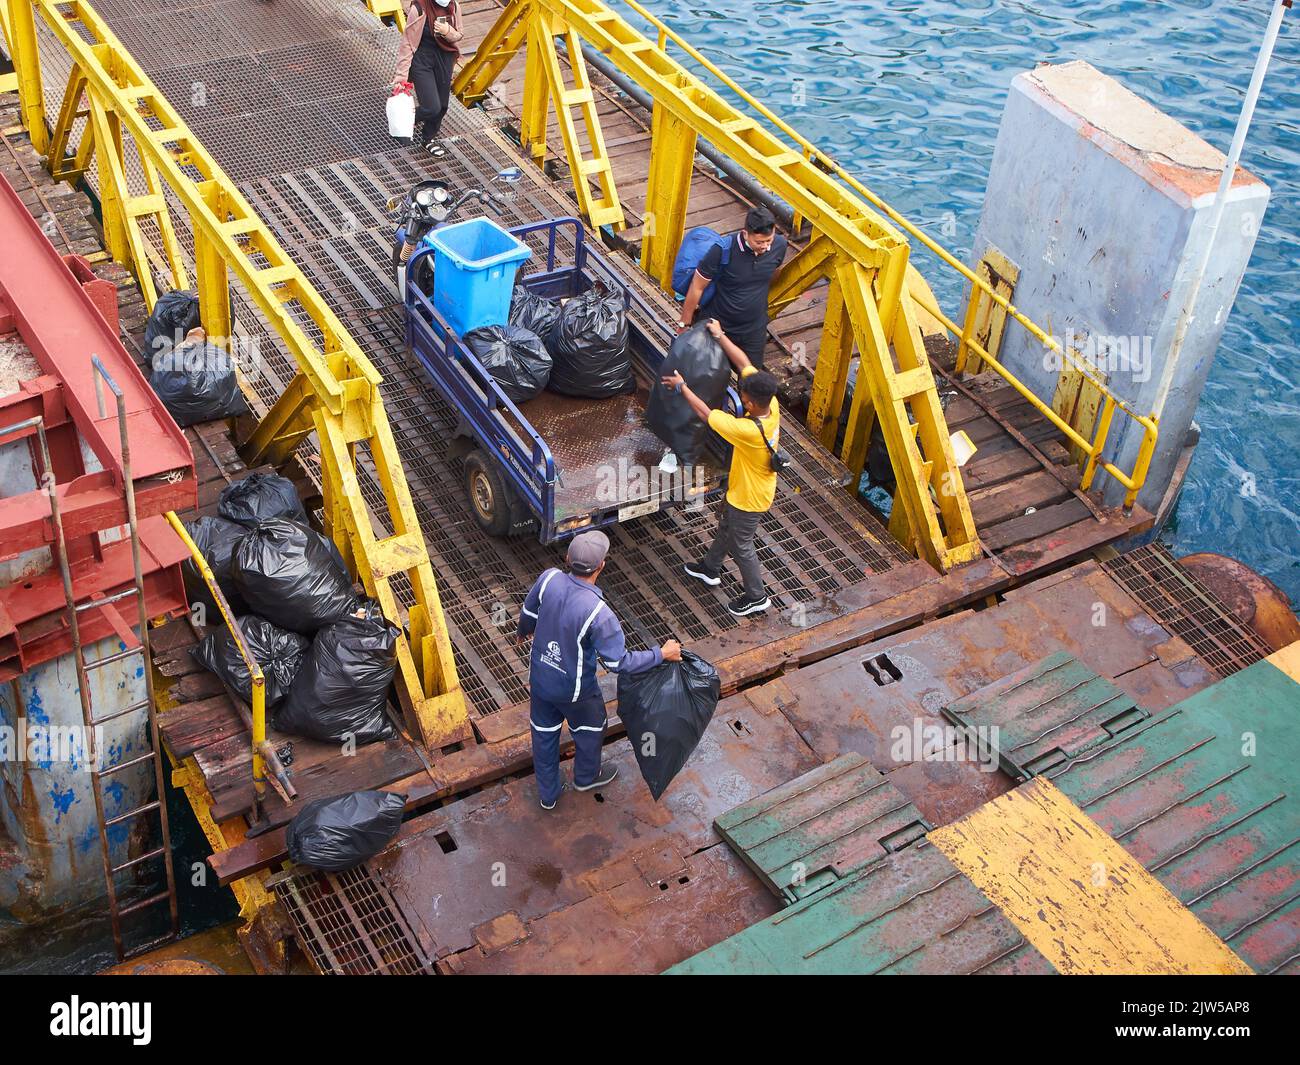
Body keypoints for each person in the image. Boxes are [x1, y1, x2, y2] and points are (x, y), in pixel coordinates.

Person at [516, 530, 682, 810]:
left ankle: (548, 795)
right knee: (591, 728)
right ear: (601, 566)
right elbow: (620, 663)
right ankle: (586, 777)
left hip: (541, 682)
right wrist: (662, 653)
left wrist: (524, 632)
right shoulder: (599, 613)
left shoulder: (549, 579)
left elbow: (529, 614)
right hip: (576, 692)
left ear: (567, 558)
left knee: (543, 736)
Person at [662, 319, 780, 617]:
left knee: (742, 545)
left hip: (749, 498)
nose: (740, 397)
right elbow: (743, 362)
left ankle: (756, 596)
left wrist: (682, 388)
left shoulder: (747, 430)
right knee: (727, 527)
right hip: (745, 486)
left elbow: (705, 412)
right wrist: (720, 335)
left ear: (750, 404)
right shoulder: (771, 403)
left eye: (743, 396)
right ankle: (710, 567)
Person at [677, 205, 787, 369]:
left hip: (753, 330)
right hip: (719, 325)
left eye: (768, 241)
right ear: (745, 234)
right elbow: (697, 286)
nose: (765, 247)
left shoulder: (779, 246)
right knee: (704, 373)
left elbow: (773, 273)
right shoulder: (722, 251)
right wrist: (684, 324)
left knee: (750, 376)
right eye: (759, 242)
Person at [393, 0, 465, 157]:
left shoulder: (454, 6)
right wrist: (401, 78)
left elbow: (459, 34)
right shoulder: (419, 8)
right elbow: (408, 43)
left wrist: (447, 31)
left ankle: (428, 138)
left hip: (444, 58)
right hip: (422, 59)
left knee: (443, 105)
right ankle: (405, 122)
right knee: (431, 107)